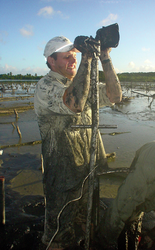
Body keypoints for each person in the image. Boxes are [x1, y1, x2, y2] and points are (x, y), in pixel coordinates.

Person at [34, 33, 122, 249]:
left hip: (88, 170)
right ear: (51, 61)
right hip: (63, 177)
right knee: (58, 233)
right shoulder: (45, 86)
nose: (73, 58)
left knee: (87, 224)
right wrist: (86, 58)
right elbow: (75, 103)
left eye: (75, 54)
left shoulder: (82, 82)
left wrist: (104, 57)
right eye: (66, 56)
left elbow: (114, 95)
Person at [98, 141, 155, 249]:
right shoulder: (148, 165)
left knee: (127, 210)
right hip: (145, 168)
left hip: (145, 167)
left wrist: (150, 235)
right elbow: (121, 207)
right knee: (123, 209)